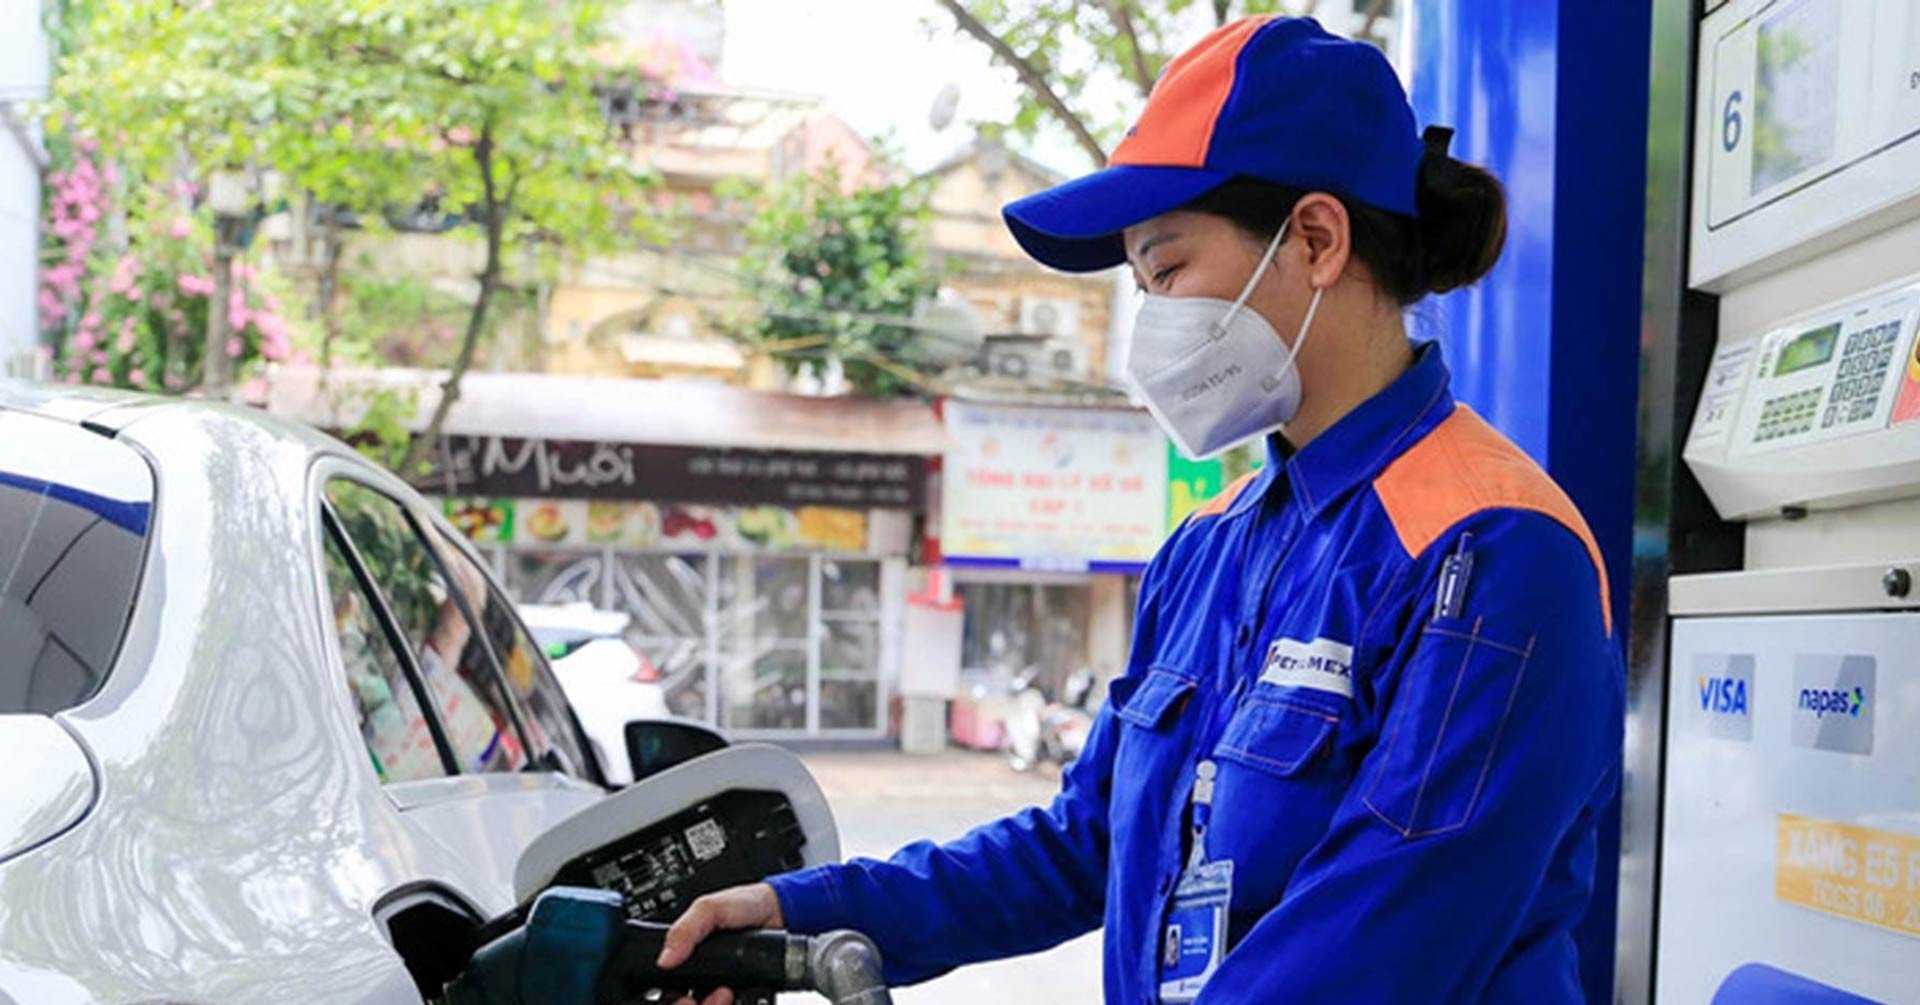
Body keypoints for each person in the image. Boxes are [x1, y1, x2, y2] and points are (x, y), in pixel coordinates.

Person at [660, 16, 1623, 1004]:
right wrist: (800, 912)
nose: (1151, 324)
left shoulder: (1493, 549)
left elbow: (1378, 944)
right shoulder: (1212, 547)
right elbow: (1087, 844)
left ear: (1318, 240)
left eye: (1167, 271)